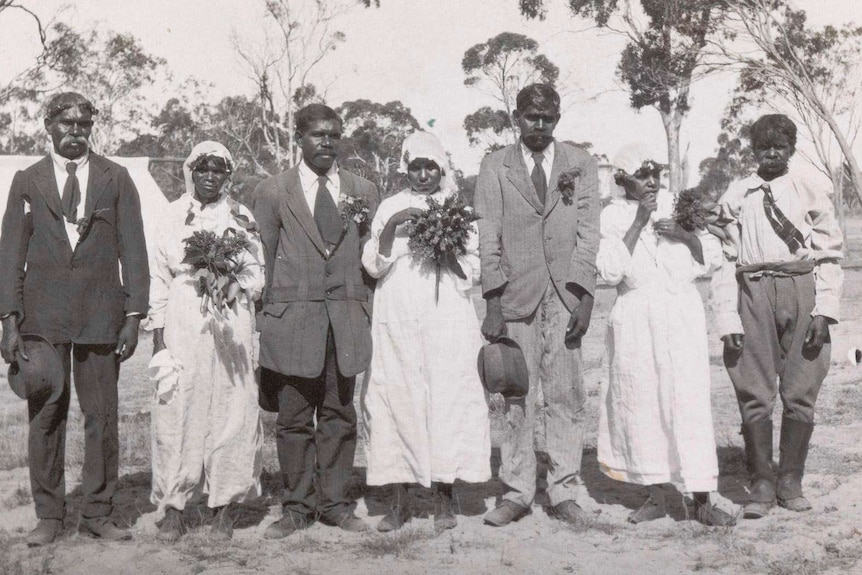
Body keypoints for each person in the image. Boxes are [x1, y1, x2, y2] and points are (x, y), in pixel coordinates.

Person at [0, 92, 149, 545]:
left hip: (102, 317)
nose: (76, 130)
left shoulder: (116, 177)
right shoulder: (27, 180)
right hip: (42, 321)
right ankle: (49, 516)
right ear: (48, 125)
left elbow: (135, 251)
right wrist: (9, 319)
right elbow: (10, 255)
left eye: (84, 123)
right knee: (46, 414)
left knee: (102, 416)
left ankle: (98, 513)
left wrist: (134, 315)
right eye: (66, 123)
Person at [474, 84, 600, 527]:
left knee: (566, 393)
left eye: (548, 117)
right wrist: (493, 302)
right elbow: (487, 235)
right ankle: (516, 491)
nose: (540, 125)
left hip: (564, 294)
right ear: (517, 117)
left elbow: (589, 233)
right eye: (531, 116)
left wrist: (583, 296)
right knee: (514, 394)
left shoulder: (580, 163)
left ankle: (564, 489)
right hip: (514, 295)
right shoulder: (495, 166)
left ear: (558, 118)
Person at [253, 103, 380, 538]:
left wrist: (364, 310)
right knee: (292, 418)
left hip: (344, 321)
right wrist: (267, 320)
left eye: (334, 135)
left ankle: (335, 504)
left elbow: (370, 260)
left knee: (340, 415)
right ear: (299, 139)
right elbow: (264, 261)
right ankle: (296, 507)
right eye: (317, 135)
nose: (326, 142)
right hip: (292, 322)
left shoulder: (362, 189)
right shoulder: (273, 191)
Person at [710, 114, 844, 519]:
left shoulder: (809, 190)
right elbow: (723, 259)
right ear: (752, 150)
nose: (772, 152)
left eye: (780, 146)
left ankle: (790, 480)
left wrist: (824, 311)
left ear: (791, 149)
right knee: (753, 388)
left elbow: (830, 252)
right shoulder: (737, 195)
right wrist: (728, 321)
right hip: (752, 291)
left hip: (801, 288)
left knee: (801, 387)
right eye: (764, 145)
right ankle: (762, 481)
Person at [595, 146, 735, 527]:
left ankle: (702, 498)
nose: (652, 182)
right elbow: (608, 272)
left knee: (688, 405)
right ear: (623, 179)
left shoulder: (678, 206)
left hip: (681, 314)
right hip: (637, 318)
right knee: (642, 405)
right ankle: (656, 494)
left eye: (655, 173)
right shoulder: (611, 216)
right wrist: (639, 221)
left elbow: (712, 256)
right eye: (642, 175)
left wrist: (686, 235)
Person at [360, 132, 491, 532]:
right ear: (405, 168)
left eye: (429, 167)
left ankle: (443, 497)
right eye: (415, 166)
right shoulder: (390, 206)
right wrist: (395, 225)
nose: (422, 174)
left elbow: (473, 272)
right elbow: (373, 265)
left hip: (447, 316)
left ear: (441, 168)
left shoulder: (457, 208)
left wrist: (445, 246)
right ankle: (399, 500)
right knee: (397, 398)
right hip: (398, 316)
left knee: (446, 399)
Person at [148, 141, 265, 541]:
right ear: (191, 172)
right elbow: (158, 278)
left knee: (231, 409)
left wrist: (234, 282)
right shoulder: (171, 215)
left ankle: (224, 506)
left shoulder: (241, 215)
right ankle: (175, 504)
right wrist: (158, 336)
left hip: (231, 320)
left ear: (228, 175)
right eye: (203, 169)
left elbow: (256, 274)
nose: (210, 176)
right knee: (180, 407)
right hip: (185, 317)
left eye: (218, 170)